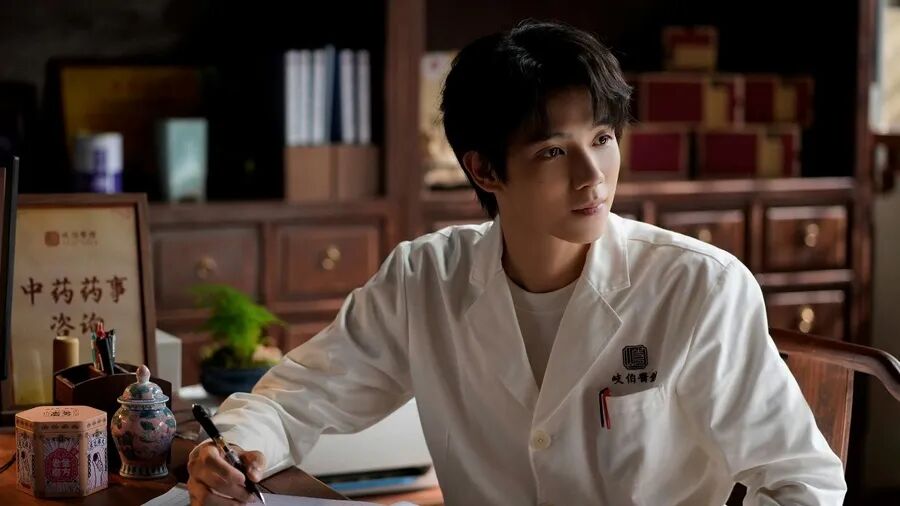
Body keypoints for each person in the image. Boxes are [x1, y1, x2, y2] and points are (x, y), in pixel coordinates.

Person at [187, 20, 846, 505]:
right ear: (484, 169)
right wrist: (230, 449)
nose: (593, 176)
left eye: (603, 138)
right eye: (554, 152)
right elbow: (291, 402)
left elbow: (803, 483)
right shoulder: (425, 279)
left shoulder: (698, 286)